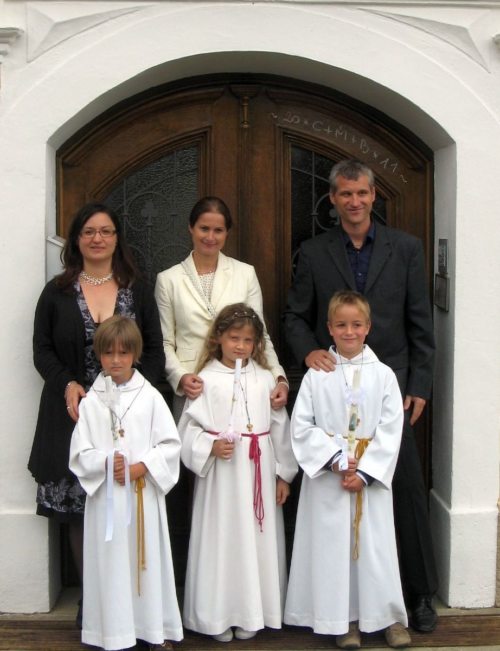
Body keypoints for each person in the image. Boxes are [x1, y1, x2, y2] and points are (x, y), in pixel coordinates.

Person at [283, 159, 438, 632]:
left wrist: (419, 384)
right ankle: (335, 605)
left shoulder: (406, 249)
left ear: (374, 197)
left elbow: (420, 322)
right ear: (333, 199)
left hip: (387, 387)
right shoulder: (313, 252)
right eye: (345, 194)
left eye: (362, 193)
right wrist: (309, 351)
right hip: (333, 387)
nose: (354, 202)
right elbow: (293, 316)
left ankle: (417, 596)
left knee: (404, 490)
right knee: (332, 500)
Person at [28, 202, 165, 626]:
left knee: (124, 502)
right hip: (72, 415)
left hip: (126, 420)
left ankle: (130, 601)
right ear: (76, 239)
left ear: (117, 238)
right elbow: (42, 349)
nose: (98, 238)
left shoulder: (137, 289)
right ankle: (95, 601)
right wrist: (67, 383)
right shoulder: (57, 290)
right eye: (89, 231)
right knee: (78, 507)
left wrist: (135, 399)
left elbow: (156, 352)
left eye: (106, 231)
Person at [284, 291, 411, 649]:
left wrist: (366, 470)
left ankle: (387, 618)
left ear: (368, 327)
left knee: (374, 549)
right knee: (333, 550)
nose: (349, 332)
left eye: (357, 325)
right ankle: (342, 620)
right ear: (329, 328)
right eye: (341, 325)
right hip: (330, 478)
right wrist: (337, 460)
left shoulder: (383, 375)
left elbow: (391, 427)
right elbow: (301, 426)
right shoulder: (317, 375)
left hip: (369, 476)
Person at [178, 303, 298, 642]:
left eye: (248, 340)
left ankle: (252, 613)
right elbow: (186, 432)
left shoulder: (265, 380)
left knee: (254, 541)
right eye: (234, 338)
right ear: (218, 338)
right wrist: (209, 447)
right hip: (220, 479)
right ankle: (217, 616)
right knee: (223, 541)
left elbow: (279, 427)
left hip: (257, 475)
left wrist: (283, 475)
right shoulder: (206, 381)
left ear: (257, 344)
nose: (241, 346)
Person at [69, 316, 182, 651]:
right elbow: (79, 453)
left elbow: (170, 446)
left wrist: (140, 467)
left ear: (136, 354)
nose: (115, 360)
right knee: (111, 566)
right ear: (99, 355)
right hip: (106, 502)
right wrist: (105, 463)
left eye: (123, 353)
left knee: (144, 563)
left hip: (141, 496)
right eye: (108, 353)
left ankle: (152, 631)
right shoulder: (92, 401)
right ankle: (111, 632)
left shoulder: (149, 398)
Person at [154, 196, 288, 420]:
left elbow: (260, 334)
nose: (210, 237)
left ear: (227, 233)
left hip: (241, 381)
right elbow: (165, 342)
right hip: (194, 385)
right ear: (191, 228)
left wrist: (279, 378)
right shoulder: (169, 279)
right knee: (197, 451)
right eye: (204, 228)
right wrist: (181, 376)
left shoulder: (245, 274)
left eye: (218, 230)